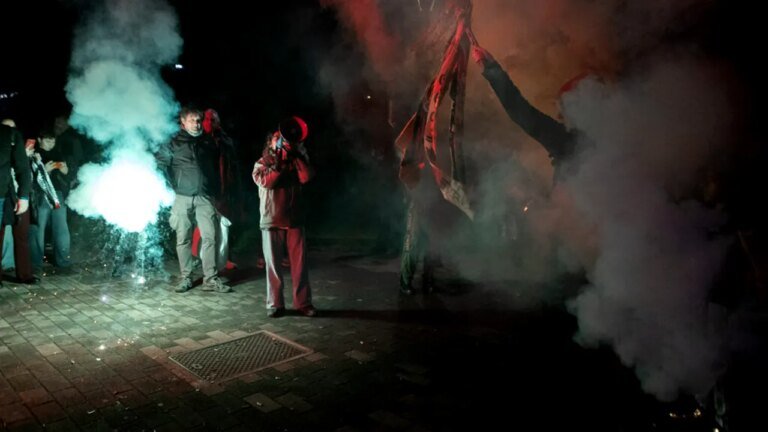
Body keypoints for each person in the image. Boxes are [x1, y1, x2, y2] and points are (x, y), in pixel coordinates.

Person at [157, 107, 232, 293]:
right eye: (192, 120)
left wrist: (213, 191)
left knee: (210, 237)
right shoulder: (172, 144)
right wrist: (171, 187)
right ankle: (186, 278)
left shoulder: (208, 142)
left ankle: (211, 279)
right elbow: (159, 165)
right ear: (183, 122)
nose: (197, 124)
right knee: (183, 239)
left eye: (198, 120)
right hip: (182, 197)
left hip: (204, 197)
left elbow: (215, 167)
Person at [252, 116, 316, 318]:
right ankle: (275, 304)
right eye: (277, 138)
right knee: (273, 266)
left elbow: (306, 177)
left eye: (284, 138)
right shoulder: (262, 163)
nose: (282, 141)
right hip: (271, 220)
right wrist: (280, 163)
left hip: (295, 219)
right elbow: (267, 182)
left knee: (300, 265)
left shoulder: (296, 160)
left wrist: (296, 156)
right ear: (270, 142)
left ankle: (303, 303)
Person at [31, 128, 79, 275]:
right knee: (39, 229)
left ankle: (63, 261)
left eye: (52, 140)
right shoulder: (34, 154)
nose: (50, 143)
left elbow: (67, 175)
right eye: (47, 140)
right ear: (39, 140)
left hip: (57, 193)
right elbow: (29, 177)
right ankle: (35, 264)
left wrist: (65, 170)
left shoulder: (58, 153)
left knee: (61, 228)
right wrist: (44, 170)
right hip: (41, 194)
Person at [0, 121, 32, 285]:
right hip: (5, 195)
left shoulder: (14, 139)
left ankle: (25, 274)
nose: (10, 129)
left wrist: (24, 197)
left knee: (22, 235)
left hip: (15, 195)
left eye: (13, 126)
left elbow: (24, 170)